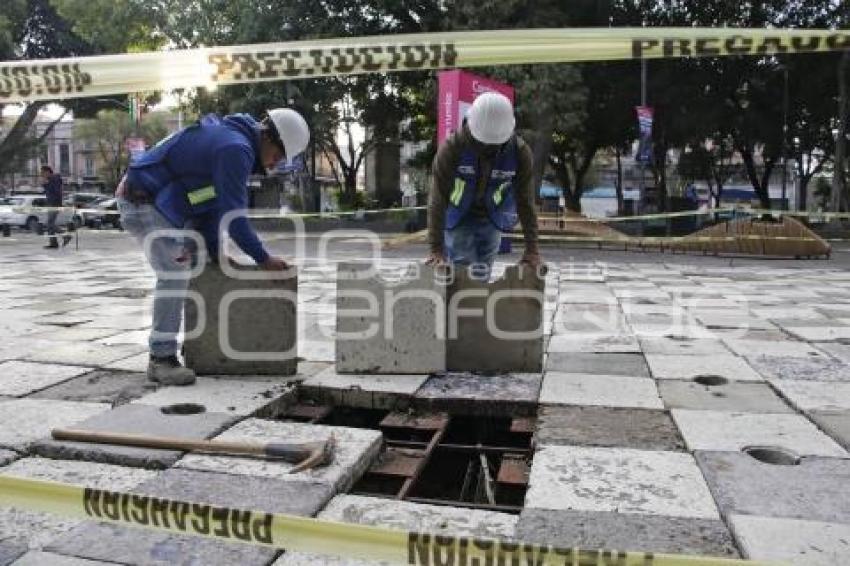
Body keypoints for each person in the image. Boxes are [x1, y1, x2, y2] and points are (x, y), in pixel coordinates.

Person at [117, 108, 309, 385]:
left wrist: (215, 252)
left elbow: (209, 204)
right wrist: (263, 258)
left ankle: (201, 346)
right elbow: (235, 219)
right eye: (277, 157)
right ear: (269, 138)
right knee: (174, 272)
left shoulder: (232, 141)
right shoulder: (235, 148)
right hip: (142, 200)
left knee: (202, 260)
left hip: (161, 202)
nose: (273, 164)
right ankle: (161, 358)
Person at [426, 92, 541, 280]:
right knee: (463, 268)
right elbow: (437, 199)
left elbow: (525, 201)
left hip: (492, 215)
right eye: (482, 143)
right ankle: (464, 306)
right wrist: (436, 250)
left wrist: (532, 250)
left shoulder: (520, 153)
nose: (488, 149)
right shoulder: (452, 148)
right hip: (458, 215)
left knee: (483, 270)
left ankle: (473, 304)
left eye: (495, 145)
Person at [41, 165, 71, 249]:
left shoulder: (55, 179)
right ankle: (53, 243)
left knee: (49, 223)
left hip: (54, 204)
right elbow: (49, 192)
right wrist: (45, 185)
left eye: (43, 173)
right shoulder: (50, 180)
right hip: (51, 203)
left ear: (48, 172)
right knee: (50, 224)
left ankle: (66, 235)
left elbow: (56, 192)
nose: (42, 175)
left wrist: (47, 184)